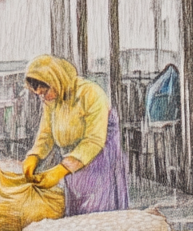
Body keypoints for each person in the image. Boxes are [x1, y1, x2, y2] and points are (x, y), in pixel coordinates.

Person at [21, 54, 129, 215]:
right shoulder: (52, 100)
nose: (43, 97)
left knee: (98, 213)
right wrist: (34, 156)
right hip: (73, 163)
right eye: (39, 95)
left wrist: (61, 170)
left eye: (45, 92)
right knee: (77, 211)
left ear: (56, 80)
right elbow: (46, 133)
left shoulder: (91, 94)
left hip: (100, 162)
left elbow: (94, 140)